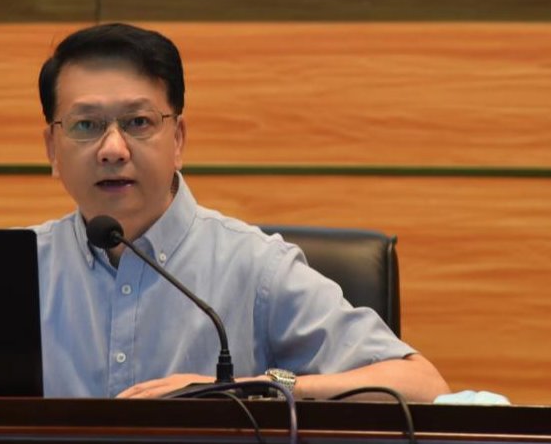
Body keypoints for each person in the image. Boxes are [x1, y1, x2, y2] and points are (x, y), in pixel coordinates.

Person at [33, 22, 449, 400]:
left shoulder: (256, 268)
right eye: (86, 125)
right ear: (52, 149)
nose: (112, 149)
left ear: (177, 140)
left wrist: (253, 389)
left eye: (138, 122)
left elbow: (422, 387)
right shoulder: (19, 270)